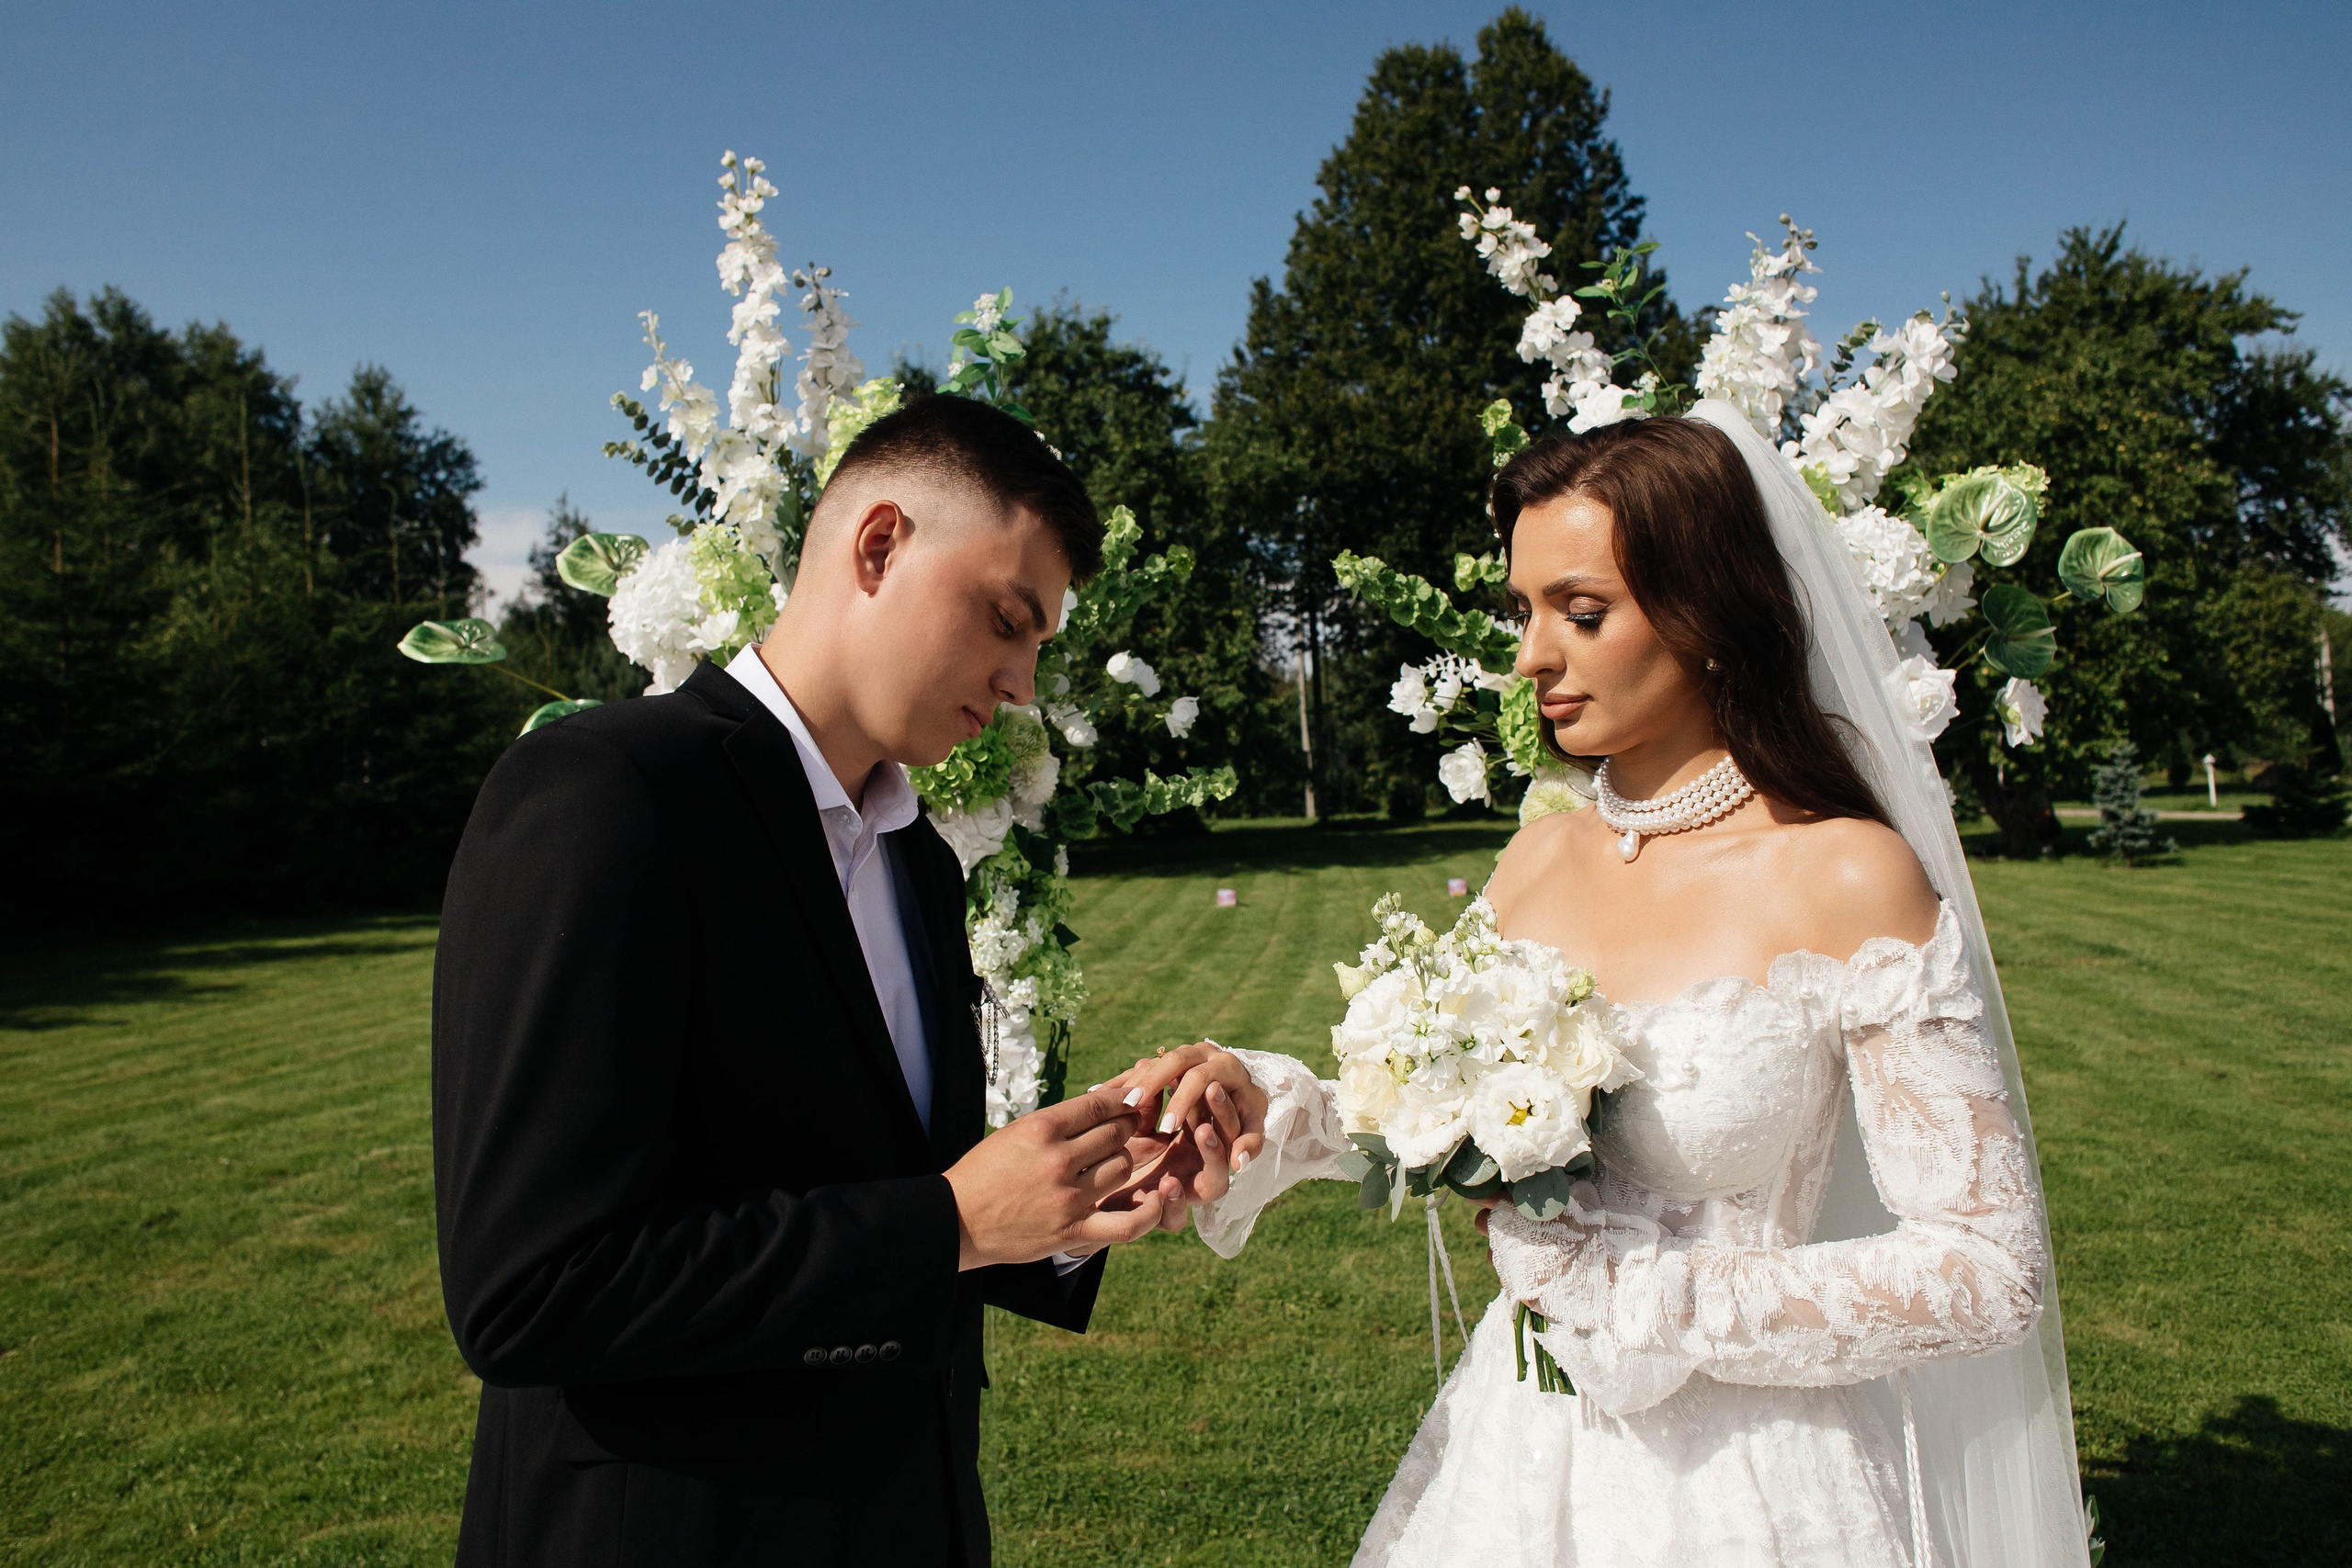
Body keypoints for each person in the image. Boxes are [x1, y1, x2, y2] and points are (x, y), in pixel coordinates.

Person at [1116, 404, 2094, 1567]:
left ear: (1709, 615)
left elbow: (1987, 1272)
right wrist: (1264, 1102)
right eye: (1526, 612)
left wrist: (1645, 1295)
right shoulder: (1542, 858)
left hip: (1753, 1488)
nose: (1533, 655)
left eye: (1582, 613)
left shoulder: (1843, 874)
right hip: (1521, 1454)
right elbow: (1445, 1119)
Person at [431, 394, 1209, 1567]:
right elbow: (533, 1288)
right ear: (880, 543)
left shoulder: (916, 860)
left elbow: (876, 1187)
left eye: (1038, 645)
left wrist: (1069, 1195)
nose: (1019, 684)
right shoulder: (602, 796)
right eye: (1007, 621)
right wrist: (946, 1222)